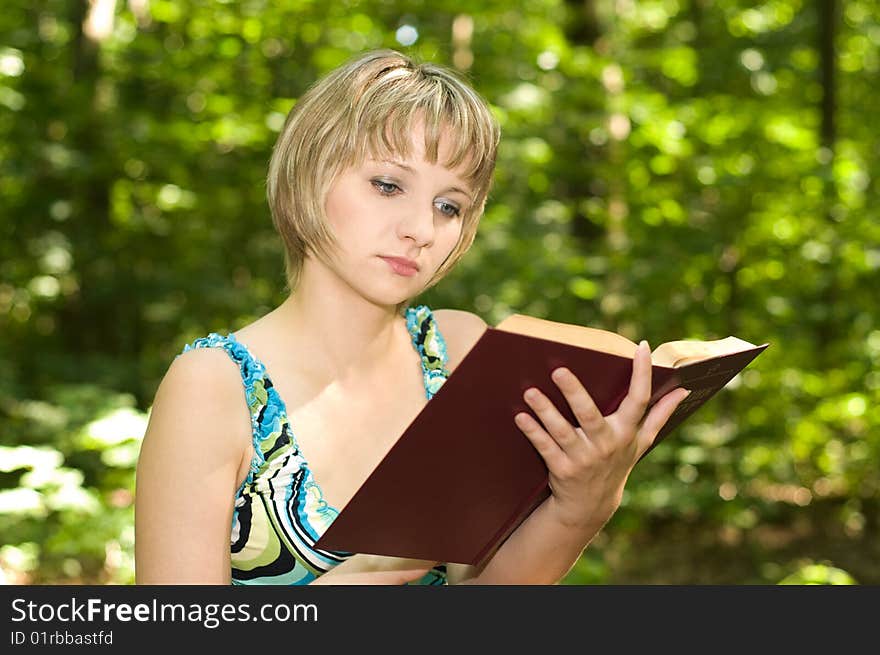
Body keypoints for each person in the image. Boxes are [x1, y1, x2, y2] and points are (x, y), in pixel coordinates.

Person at [134, 48, 690, 585]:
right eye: (388, 185)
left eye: (449, 206)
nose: (422, 229)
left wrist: (582, 508)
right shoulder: (214, 386)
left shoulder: (457, 351)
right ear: (309, 172)